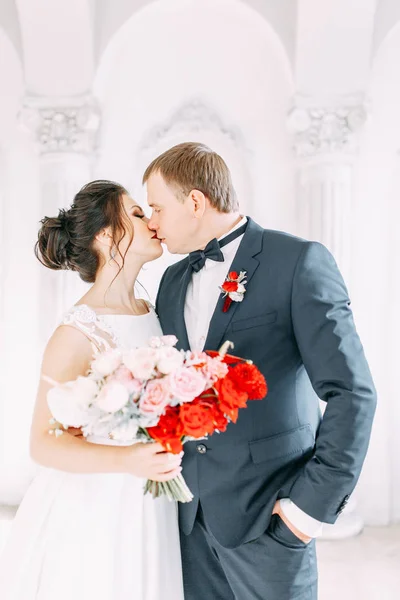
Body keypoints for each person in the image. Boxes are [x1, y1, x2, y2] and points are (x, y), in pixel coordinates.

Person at [143, 142, 377, 600]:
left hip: (270, 519)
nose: (151, 222)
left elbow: (353, 392)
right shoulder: (171, 282)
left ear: (194, 202)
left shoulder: (298, 262)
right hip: (188, 518)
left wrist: (306, 512)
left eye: (155, 207)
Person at [0, 180, 184, 600]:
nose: (151, 220)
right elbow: (43, 444)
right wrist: (129, 459)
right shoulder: (77, 331)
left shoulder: (153, 311)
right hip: (98, 504)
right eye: (137, 214)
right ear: (105, 234)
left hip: (151, 497)